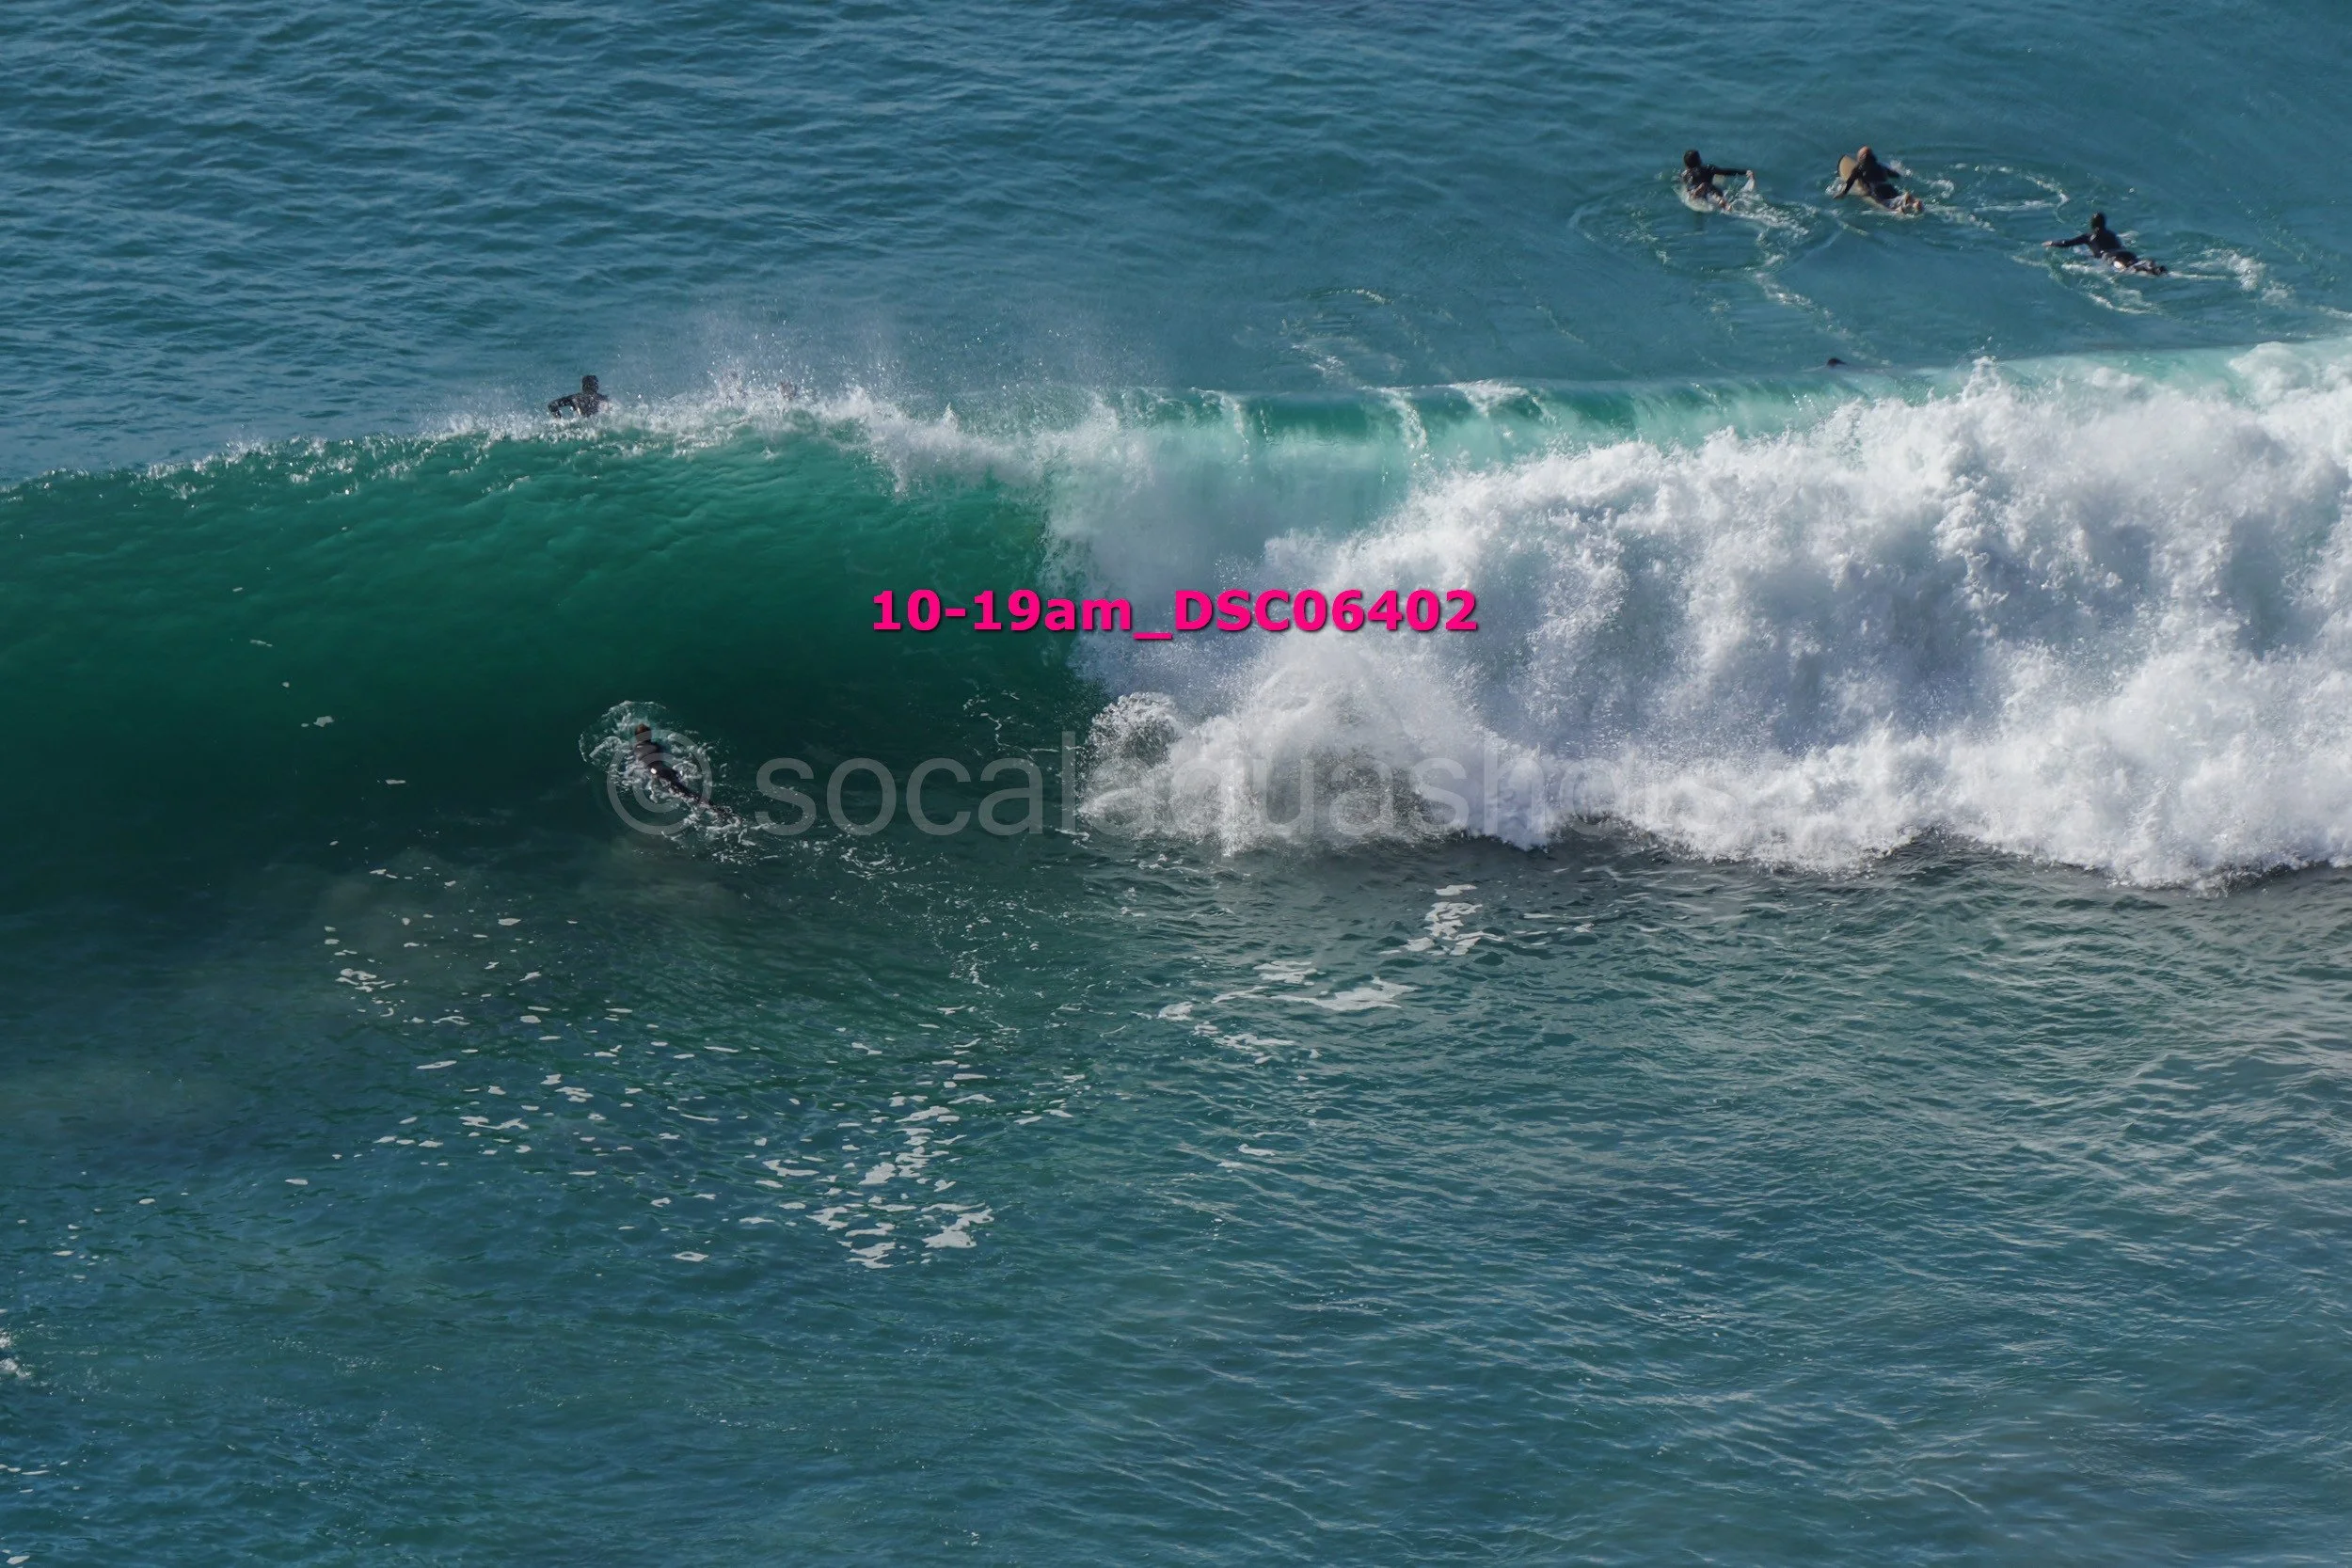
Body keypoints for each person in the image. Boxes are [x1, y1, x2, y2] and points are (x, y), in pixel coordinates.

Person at [2045, 213, 2167, 275]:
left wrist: (2051, 243)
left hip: (2111, 257)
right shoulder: (2112, 234)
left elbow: (2066, 243)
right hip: (2127, 253)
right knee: (2135, 264)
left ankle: (2148, 269)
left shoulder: (2089, 236)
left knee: (2127, 269)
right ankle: (2152, 267)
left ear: (2092, 224)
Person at [1835, 146, 1923, 214]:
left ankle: (1899, 209)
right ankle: (1913, 203)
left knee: (1888, 206)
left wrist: (1843, 193)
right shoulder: (1880, 166)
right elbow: (1895, 175)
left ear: (1861, 158)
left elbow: (1850, 181)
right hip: (1889, 187)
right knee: (1895, 198)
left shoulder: (1859, 169)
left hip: (1877, 191)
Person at [1681, 150, 1750, 210]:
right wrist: (1745, 172)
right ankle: (1722, 201)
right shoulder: (1708, 168)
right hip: (1710, 190)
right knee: (1714, 192)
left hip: (1698, 193)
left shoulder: (1685, 174)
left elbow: (1685, 185)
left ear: (1686, 163)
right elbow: (1726, 172)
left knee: (1690, 191)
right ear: (1699, 160)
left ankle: (1695, 193)